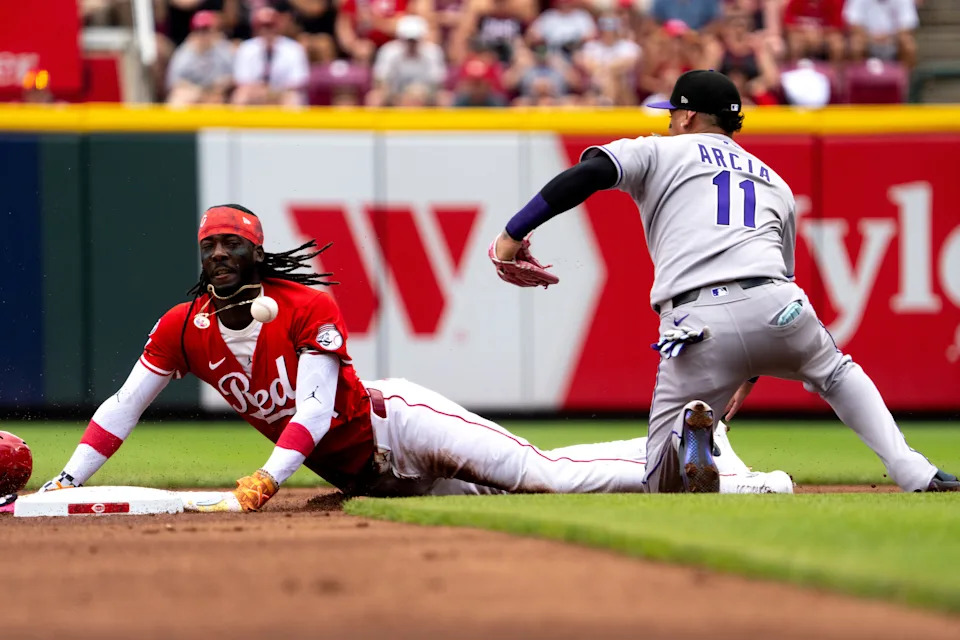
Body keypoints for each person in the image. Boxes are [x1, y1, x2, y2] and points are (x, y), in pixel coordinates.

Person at [36, 204, 793, 511]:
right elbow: (121, 407)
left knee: (541, 477)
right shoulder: (182, 325)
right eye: (208, 244)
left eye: (231, 242)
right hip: (373, 479)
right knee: (528, 474)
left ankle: (744, 485)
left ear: (257, 251)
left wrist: (270, 477)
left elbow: (314, 409)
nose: (218, 253)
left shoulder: (306, 308)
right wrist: (67, 481)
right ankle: (702, 443)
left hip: (396, 428)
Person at [488, 69, 960, 494]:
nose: (670, 121)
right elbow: (781, 271)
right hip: (779, 305)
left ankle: (730, 466)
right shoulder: (774, 181)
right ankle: (914, 471)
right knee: (836, 372)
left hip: (697, 325)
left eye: (673, 112)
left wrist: (513, 233)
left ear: (688, 115)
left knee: (662, 480)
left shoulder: (659, 150)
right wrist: (749, 369)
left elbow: (588, 173)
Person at [232, 6, 310, 106]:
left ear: (277, 28)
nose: (267, 31)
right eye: (263, 27)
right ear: (256, 30)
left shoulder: (294, 49)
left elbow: (298, 81)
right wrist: (259, 91)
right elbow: (242, 80)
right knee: (240, 96)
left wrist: (272, 92)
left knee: (293, 98)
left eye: (270, 27)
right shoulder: (246, 48)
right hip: (255, 94)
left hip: (282, 93)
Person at [366, 15, 446, 106]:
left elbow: (437, 84)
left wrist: (421, 94)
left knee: (443, 98)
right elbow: (380, 81)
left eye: (414, 40)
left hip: (424, 94)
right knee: (375, 97)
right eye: (408, 40)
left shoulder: (433, 52)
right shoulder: (389, 51)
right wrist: (396, 97)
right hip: (394, 94)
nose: (411, 44)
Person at [165, 10, 234, 105]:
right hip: (192, 93)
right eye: (199, 30)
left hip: (217, 95)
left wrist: (219, 87)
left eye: (206, 30)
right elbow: (174, 83)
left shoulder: (224, 49)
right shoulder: (184, 53)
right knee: (178, 100)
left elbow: (234, 78)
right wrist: (198, 92)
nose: (202, 35)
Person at [843, 0, 919, 69]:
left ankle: (906, 81)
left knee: (909, 45)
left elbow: (908, 25)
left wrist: (890, 37)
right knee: (855, 45)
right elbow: (853, 23)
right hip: (867, 40)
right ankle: (856, 81)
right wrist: (871, 37)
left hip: (893, 40)